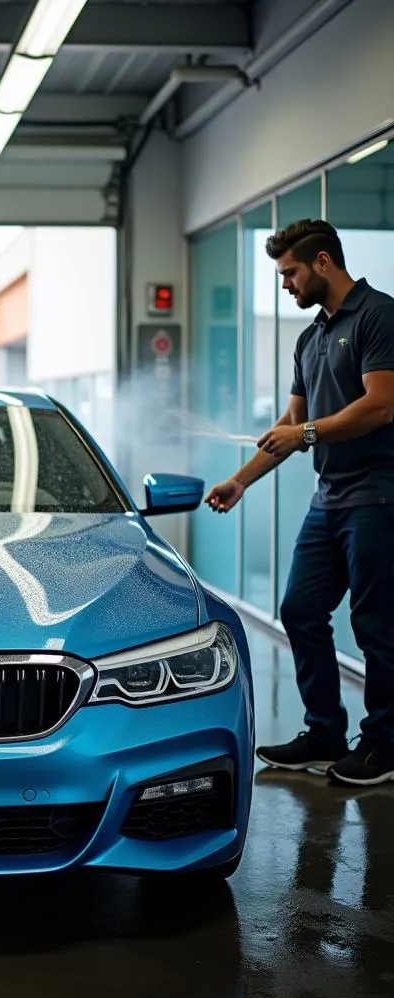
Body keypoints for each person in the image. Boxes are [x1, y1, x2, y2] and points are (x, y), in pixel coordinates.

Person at [205, 219, 394, 786]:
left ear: (323, 263)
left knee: (377, 625)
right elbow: (290, 425)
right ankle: (325, 734)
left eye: (289, 272)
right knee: (300, 610)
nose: (285, 284)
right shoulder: (310, 338)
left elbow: (382, 405)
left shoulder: (380, 316)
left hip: (378, 495)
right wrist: (241, 480)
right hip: (330, 496)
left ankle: (385, 746)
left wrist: (306, 434)